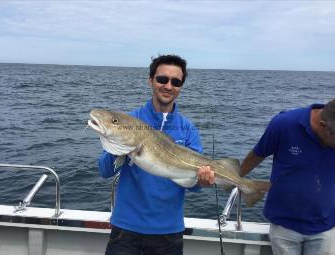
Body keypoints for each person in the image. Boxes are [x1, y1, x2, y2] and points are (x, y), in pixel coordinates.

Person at [98, 54, 215, 255]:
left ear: (181, 86)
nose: (168, 86)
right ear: (150, 80)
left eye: (175, 82)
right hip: (126, 231)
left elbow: (193, 187)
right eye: (162, 79)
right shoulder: (130, 120)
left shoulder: (188, 129)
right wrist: (119, 144)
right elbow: (104, 170)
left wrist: (202, 181)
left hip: (168, 234)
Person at [240, 99, 335, 255]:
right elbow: (258, 153)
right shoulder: (284, 124)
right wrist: (235, 178)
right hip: (284, 226)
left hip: (326, 226)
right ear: (323, 126)